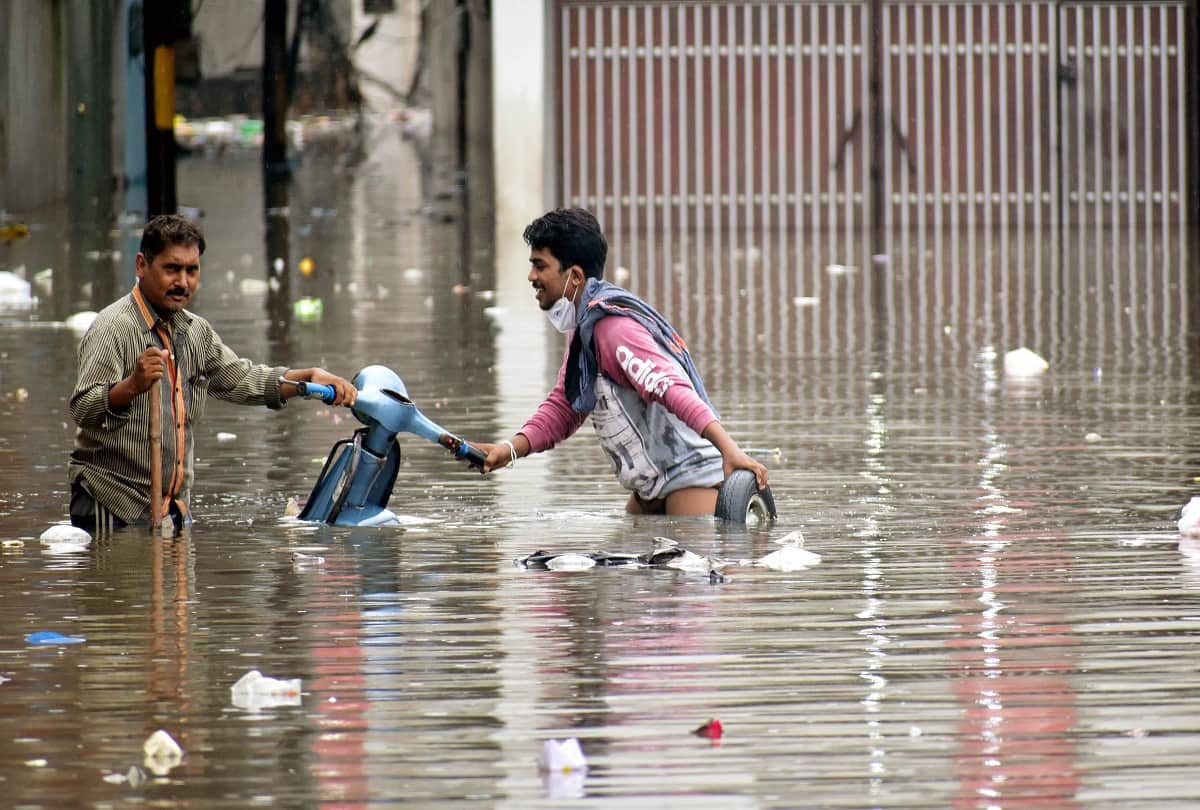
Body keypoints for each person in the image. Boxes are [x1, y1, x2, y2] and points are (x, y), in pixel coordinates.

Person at [68, 214, 357, 532]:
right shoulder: (114, 327)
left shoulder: (195, 333)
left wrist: (307, 379)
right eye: (171, 269)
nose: (183, 282)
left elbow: (244, 380)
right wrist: (132, 385)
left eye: (191, 270)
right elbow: (83, 408)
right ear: (141, 266)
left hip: (168, 509)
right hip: (112, 503)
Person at [474, 208, 768, 515]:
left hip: (692, 481)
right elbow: (564, 407)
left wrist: (729, 450)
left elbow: (669, 387)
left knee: (695, 558)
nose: (532, 277)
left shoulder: (614, 331)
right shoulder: (586, 332)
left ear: (574, 276)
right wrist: (507, 451)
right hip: (649, 490)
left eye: (540, 266)